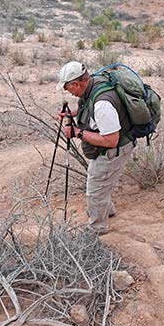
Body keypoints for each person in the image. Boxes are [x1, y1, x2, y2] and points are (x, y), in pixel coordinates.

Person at [56, 61, 134, 235]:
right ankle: (106, 209)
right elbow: (87, 103)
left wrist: (77, 133)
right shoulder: (93, 83)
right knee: (101, 179)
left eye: (68, 88)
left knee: (96, 186)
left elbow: (111, 140)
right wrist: (72, 113)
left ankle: (97, 228)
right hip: (115, 146)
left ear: (76, 83)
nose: (69, 92)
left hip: (114, 150)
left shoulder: (102, 105)